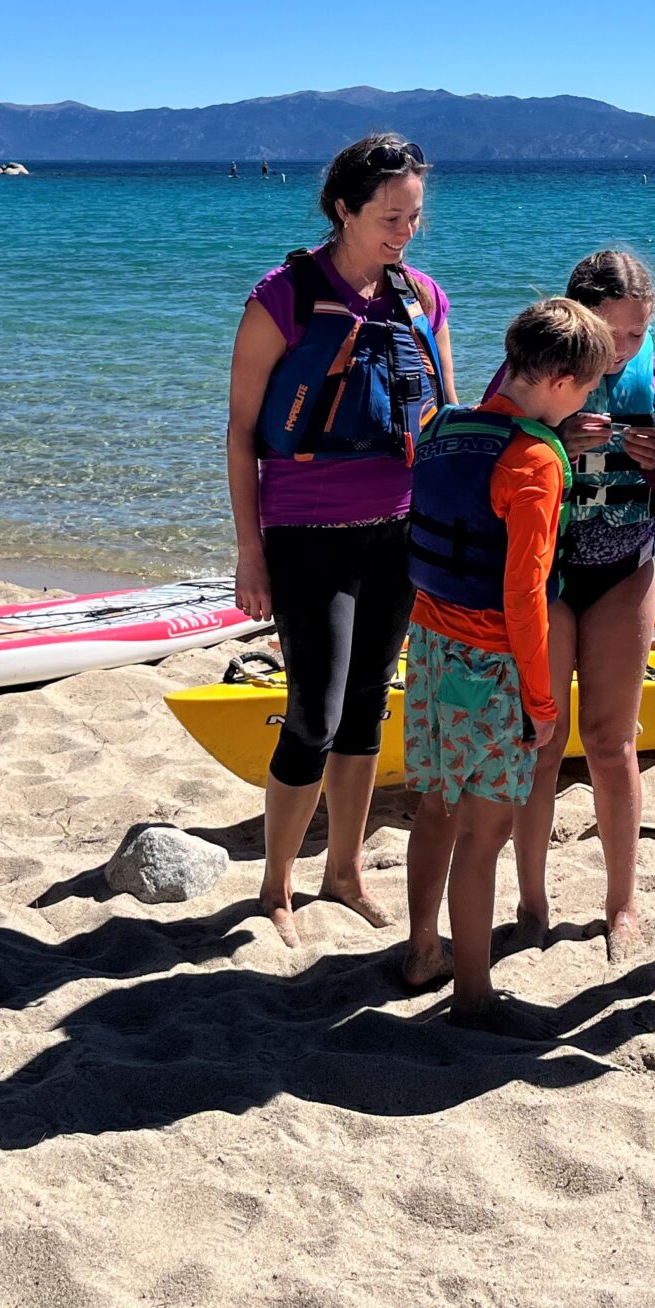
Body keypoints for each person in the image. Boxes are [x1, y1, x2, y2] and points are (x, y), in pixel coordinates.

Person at [226, 132, 451, 945]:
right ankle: (276, 885)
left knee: (367, 708)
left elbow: (445, 424)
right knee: (313, 714)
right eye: (391, 216)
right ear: (343, 208)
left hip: (399, 533)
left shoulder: (423, 299)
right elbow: (242, 430)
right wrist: (250, 551)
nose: (406, 231)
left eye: (416, 216)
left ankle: (345, 870)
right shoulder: (282, 296)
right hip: (305, 532)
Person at [396, 298, 613, 1027]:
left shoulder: (442, 426)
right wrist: (543, 700)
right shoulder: (533, 461)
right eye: (584, 388)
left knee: (435, 805)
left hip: (425, 646)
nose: (585, 403)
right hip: (490, 663)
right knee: (485, 833)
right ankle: (473, 991)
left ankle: (422, 949)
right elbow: (524, 596)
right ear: (556, 379)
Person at [486, 250, 655, 961]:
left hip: (624, 568)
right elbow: (486, 454)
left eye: (639, 335)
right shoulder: (541, 365)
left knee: (611, 742)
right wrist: (553, 442)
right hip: (550, 573)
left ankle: (622, 904)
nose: (627, 349)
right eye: (617, 335)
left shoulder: (654, 376)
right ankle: (532, 904)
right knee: (540, 743)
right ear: (577, 321)